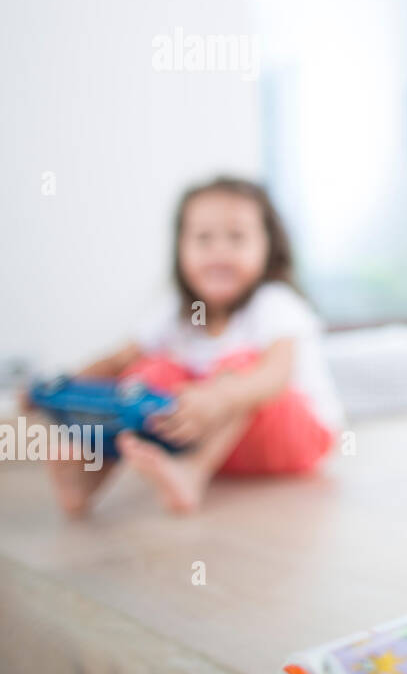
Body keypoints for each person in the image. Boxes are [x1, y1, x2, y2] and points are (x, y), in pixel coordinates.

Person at [43, 176, 344, 515]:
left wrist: (221, 397)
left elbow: (275, 375)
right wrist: (59, 387)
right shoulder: (174, 310)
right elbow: (116, 362)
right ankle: (90, 475)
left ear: (268, 247)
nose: (219, 251)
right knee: (147, 372)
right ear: (181, 248)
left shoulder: (274, 302)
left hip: (295, 442)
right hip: (215, 443)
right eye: (204, 238)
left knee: (241, 368)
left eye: (237, 237)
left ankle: (192, 472)